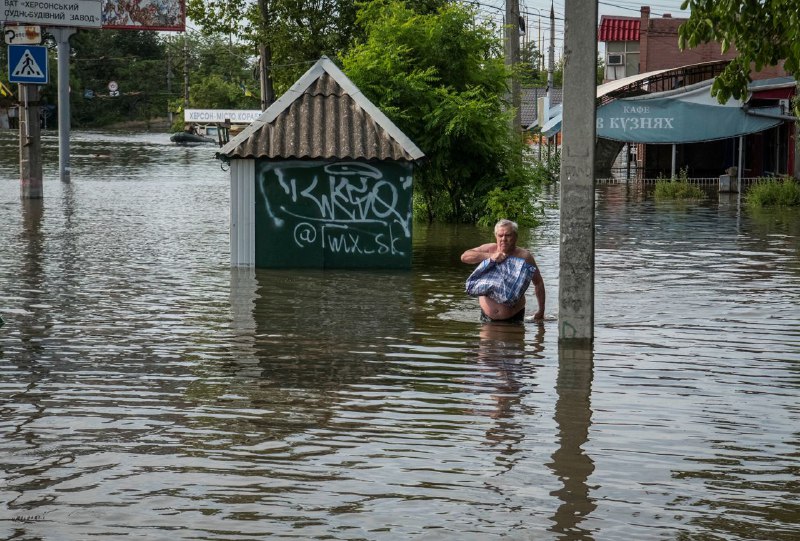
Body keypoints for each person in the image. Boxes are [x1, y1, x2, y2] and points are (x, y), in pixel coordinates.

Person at [461, 219, 545, 322]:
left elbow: (538, 283)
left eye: (508, 235)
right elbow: (464, 257)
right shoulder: (490, 249)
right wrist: (490, 257)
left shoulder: (525, 257)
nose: (503, 239)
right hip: (487, 317)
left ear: (515, 236)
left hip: (515, 316)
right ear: (496, 236)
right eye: (500, 235)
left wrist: (541, 311)